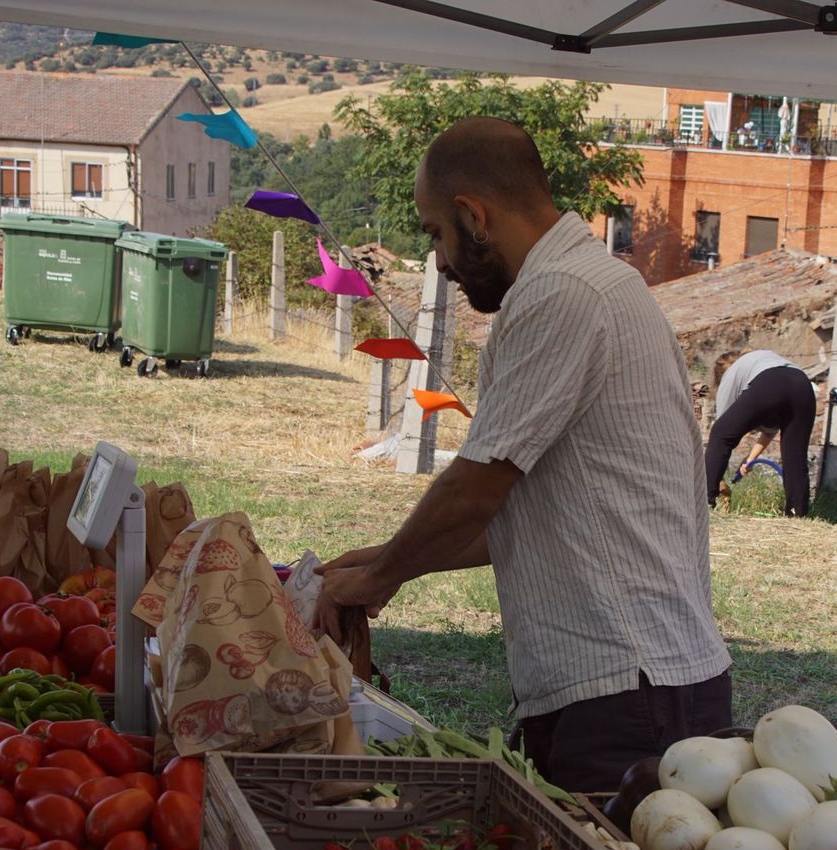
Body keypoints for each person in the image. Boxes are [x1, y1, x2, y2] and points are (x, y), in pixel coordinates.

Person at [313, 117, 731, 792]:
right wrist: (386, 559)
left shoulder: (561, 294)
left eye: (435, 234)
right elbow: (519, 517)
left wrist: (381, 577)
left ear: (473, 214)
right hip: (634, 684)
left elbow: (474, 490)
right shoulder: (593, 281)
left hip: (628, 691)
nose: (440, 263)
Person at [705, 349, 816, 516]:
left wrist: (717, 477)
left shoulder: (730, 375)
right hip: (803, 385)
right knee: (795, 456)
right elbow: (771, 429)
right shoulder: (760, 361)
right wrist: (751, 458)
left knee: (720, 433)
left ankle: (706, 502)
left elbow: (723, 434)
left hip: (770, 382)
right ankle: (797, 515)